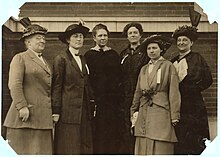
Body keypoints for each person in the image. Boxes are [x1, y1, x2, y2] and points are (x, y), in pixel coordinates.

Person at [3, 24, 53, 154]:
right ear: (28, 42)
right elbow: (14, 84)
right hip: (25, 118)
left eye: (43, 38)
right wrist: (21, 106)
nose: (42, 41)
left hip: (43, 119)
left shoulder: (46, 62)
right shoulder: (20, 58)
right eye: (38, 38)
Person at [130, 34, 181, 155]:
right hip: (144, 109)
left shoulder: (168, 66)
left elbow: (174, 91)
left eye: (154, 48)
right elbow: (138, 92)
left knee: (160, 141)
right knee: (143, 140)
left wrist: (175, 115)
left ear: (161, 50)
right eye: (149, 48)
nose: (151, 51)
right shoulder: (143, 69)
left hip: (161, 109)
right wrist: (133, 110)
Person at [52, 22, 94, 154]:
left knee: (85, 146)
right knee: (69, 146)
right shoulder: (61, 59)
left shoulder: (83, 59)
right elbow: (57, 86)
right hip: (68, 113)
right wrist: (56, 111)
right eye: (75, 36)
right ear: (68, 40)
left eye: (81, 36)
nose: (79, 39)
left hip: (84, 112)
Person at [171, 24, 213, 154]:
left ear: (191, 43)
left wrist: (193, 89)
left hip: (194, 104)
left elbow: (208, 79)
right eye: (179, 40)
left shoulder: (197, 58)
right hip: (178, 103)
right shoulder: (173, 60)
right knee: (180, 134)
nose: (181, 43)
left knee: (195, 135)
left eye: (185, 40)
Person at [85, 23, 122, 154]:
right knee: (97, 132)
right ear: (94, 38)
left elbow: (119, 77)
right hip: (97, 101)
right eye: (100, 35)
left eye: (105, 35)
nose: (103, 38)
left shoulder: (114, 55)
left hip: (112, 102)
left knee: (112, 132)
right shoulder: (88, 55)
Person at [119, 22, 150, 154]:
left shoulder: (146, 52)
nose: (133, 35)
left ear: (140, 35)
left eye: (135, 32)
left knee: (141, 123)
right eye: (130, 33)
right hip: (126, 96)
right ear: (127, 36)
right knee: (127, 125)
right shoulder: (123, 54)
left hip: (142, 95)